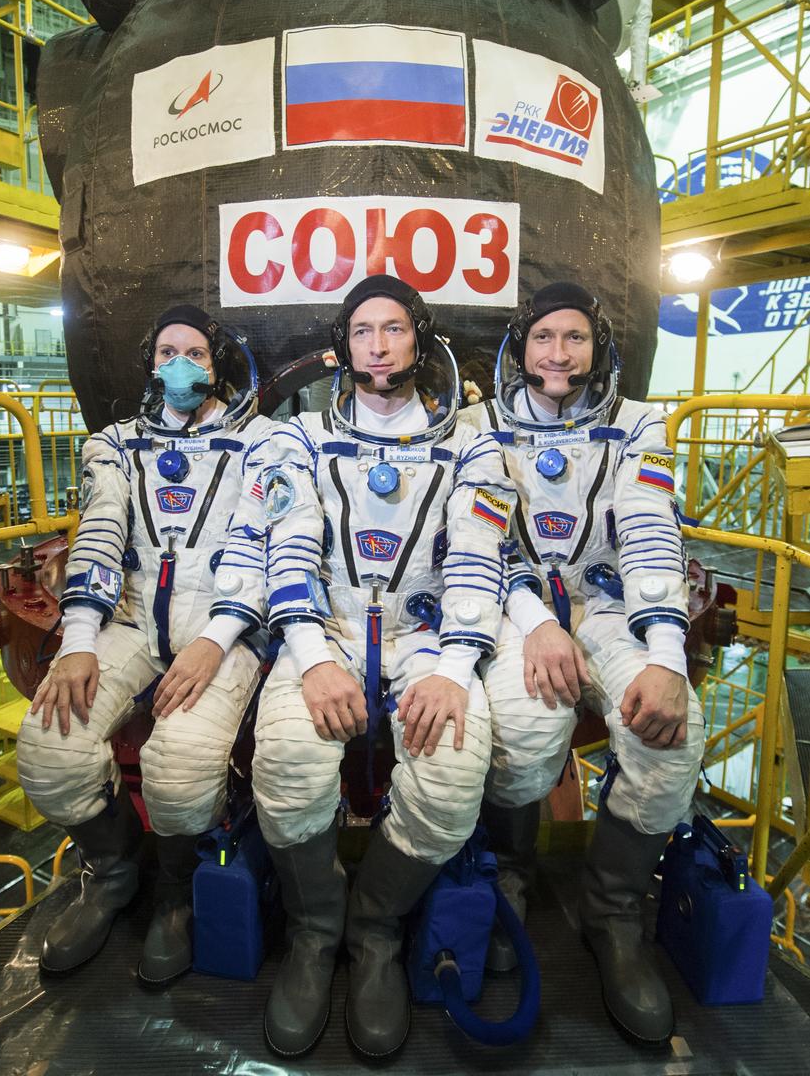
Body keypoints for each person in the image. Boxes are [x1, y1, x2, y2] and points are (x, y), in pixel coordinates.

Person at [252, 275, 515, 1059]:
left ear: (418, 338)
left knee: (451, 777)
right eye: (362, 330)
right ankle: (314, 928)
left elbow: (476, 559)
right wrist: (307, 656)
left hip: (427, 636)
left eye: (392, 328)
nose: (377, 344)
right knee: (290, 760)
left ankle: (374, 928)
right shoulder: (293, 438)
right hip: (325, 629)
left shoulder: (472, 445)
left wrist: (455, 670)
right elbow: (287, 549)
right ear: (343, 345)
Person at [470, 281, 704, 1048]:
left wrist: (664, 654)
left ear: (598, 347)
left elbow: (647, 533)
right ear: (521, 346)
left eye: (574, 337)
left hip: (608, 609)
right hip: (517, 610)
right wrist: (537, 622)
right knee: (523, 725)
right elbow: (474, 548)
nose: (558, 353)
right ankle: (507, 879)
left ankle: (611, 914)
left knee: (672, 738)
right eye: (543, 338)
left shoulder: (639, 426)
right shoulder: (479, 425)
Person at [17, 305, 270, 985]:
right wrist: (77, 639)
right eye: (166, 352)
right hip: (128, 623)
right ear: (150, 365)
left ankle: (175, 895)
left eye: (193, 352)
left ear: (217, 364)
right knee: (49, 749)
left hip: (223, 628)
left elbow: (262, 549)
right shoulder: (114, 444)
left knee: (180, 764)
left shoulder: (265, 443)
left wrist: (219, 639)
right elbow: (100, 532)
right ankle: (112, 871)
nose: (179, 364)